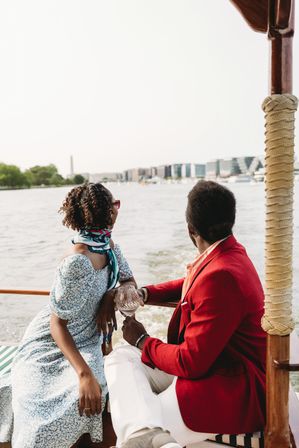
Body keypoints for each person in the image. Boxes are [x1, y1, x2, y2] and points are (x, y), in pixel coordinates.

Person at [104, 180, 266, 448]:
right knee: (120, 358)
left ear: (191, 230)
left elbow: (191, 362)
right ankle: (143, 434)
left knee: (134, 430)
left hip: (227, 390)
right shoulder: (230, 253)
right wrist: (144, 293)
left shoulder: (221, 275)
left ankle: (144, 437)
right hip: (213, 368)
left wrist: (142, 340)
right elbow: (192, 281)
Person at [0, 182, 136, 448]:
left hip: (87, 338)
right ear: (107, 213)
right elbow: (56, 323)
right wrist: (83, 374)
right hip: (53, 342)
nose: (118, 211)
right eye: (115, 206)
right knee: (40, 411)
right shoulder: (78, 262)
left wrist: (110, 297)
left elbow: (129, 280)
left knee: (96, 391)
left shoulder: (108, 246)